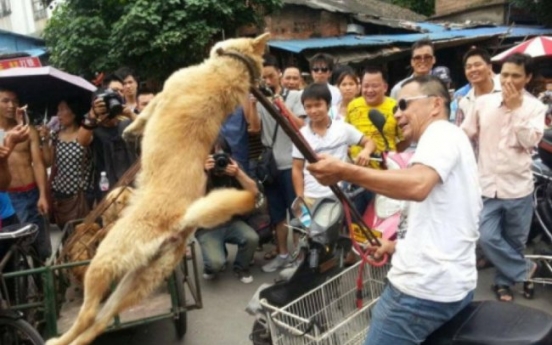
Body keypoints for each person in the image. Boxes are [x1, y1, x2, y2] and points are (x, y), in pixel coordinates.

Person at [308, 75, 481, 345]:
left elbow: (417, 185)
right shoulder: (449, 139)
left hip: (420, 292)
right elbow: (444, 217)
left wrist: (345, 171)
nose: (397, 114)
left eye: (404, 104)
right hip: (450, 283)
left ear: (435, 104)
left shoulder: (440, 133)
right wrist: (395, 245)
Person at [462, 53, 545, 302]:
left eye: (516, 75)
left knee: (515, 240)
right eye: (505, 74)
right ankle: (526, 271)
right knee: (486, 236)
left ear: (527, 78)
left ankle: (503, 282)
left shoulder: (535, 108)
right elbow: (465, 134)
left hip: (518, 187)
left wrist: (516, 110)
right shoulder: (483, 103)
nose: (508, 79)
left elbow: (530, 141)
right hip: (486, 185)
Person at [248, 54, 306, 272]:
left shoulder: (296, 96)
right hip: (271, 169)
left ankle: (301, 256)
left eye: (271, 76)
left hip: (293, 166)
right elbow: (254, 129)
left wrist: (279, 103)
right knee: (278, 215)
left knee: (300, 213)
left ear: (279, 74)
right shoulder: (260, 99)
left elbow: (300, 126)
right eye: (262, 79)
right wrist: (253, 105)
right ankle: (282, 254)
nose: (267, 82)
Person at [292, 83, 375, 205]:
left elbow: (369, 142)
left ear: (328, 105)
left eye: (318, 105)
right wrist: (300, 199)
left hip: (340, 194)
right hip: (311, 198)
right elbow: (297, 169)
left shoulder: (342, 128)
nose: (313, 110)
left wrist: (366, 151)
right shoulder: (301, 136)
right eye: (308, 107)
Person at [196, 135, 259, 283]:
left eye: (222, 154)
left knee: (252, 238)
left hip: (231, 222)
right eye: (214, 155)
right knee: (216, 264)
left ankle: (241, 267)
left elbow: (255, 192)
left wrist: (239, 174)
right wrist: (204, 173)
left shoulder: (233, 169)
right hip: (208, 227)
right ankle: (211, 265)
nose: (219, 159)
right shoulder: (198, 171)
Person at [346, 67, 408, 213]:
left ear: (385, 87)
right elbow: (346, 135)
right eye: (366, 86)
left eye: (374, 86)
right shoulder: (353, 106)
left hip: (386, 176)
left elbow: (406, 137)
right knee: (356, 222)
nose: (369, 90)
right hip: (358, 176)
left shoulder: (394, 107)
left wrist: (392, 155)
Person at [0, 89, 51, 261]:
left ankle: (43, 283)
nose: (11, 105)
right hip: (11, 197)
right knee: (18, 251)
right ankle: (25, 286)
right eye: (5, 101)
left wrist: (43, 195)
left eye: (14, 101)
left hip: (33, 191)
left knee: (42, 247)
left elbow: (38, 163)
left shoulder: (28, 131)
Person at [78, 75, 139, 200]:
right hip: (106, 191)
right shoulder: (93, 124)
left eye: (121, 91)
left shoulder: (128, 120)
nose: (119, 95)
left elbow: (149, 135)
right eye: (114, 91)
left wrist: (130, 114)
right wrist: (93, 114)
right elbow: (82, 141)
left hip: (133, 189)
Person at [39, 99, 94, 228]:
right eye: (58, 110)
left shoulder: (85, 134)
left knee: (82, 236)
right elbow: (48, 162)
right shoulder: (56, 135)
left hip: (82, 194)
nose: (58, 114)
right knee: (65, 235)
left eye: (62, 109)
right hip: (60, 196)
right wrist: (45, 140)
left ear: (74, 113)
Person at [457, 48, 501, 127]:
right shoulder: (464, 103)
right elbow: (461, 134)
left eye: (477, 65)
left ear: (489, 67)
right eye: (468, 67)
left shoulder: (507, 91)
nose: (473, 69)